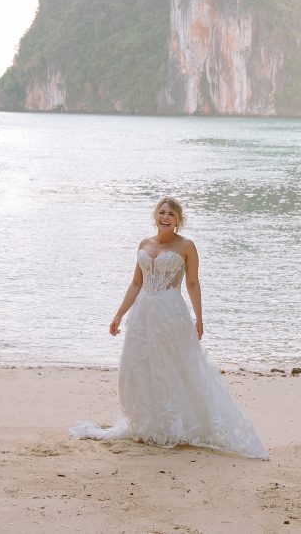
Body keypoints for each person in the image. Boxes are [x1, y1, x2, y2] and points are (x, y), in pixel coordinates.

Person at [71, 197, 267, 459]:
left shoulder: (186, 246)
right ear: (156, 215)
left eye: (171, 214)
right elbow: (135, 284)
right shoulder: (144, 244)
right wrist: (118, 315)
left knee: (173, 368)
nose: (165, 217)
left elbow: (193, 284)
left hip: (170, 313)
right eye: (161, 212)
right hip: (142, 314)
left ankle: (174, 425)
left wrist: (199, 319)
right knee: (139, 367)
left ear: (178, 220)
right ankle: (146, 424)